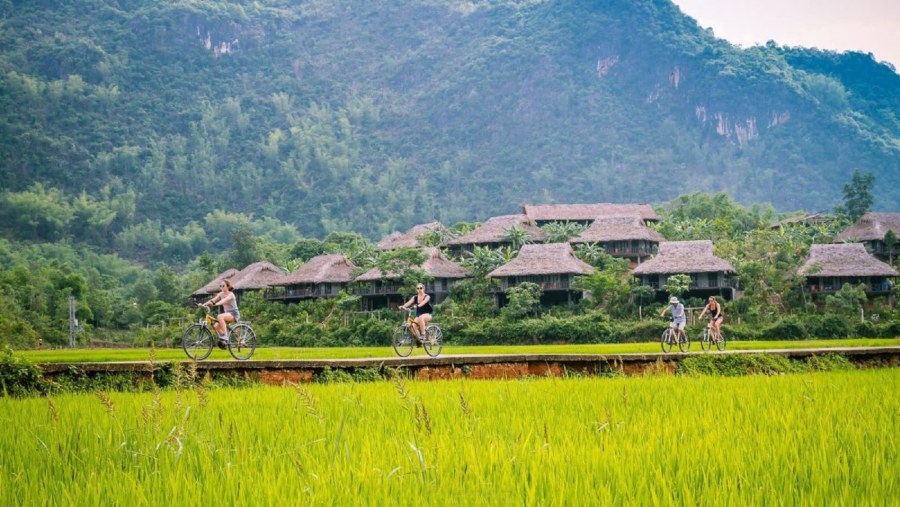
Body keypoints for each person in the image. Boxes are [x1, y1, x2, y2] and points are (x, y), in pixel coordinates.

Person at [200, 279, 240, 346]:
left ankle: (225, 336)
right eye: (220, 286)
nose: (221, 287)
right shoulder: (221, 294)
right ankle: (224, 341)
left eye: (223, 286)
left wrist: (215, 304)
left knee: (220, 316)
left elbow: (223, 301)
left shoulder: (231, 295)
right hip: (227, 314)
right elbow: (212, 300)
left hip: (234, 314)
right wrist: (203, 305)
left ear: (227, 286)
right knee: (215, 326)